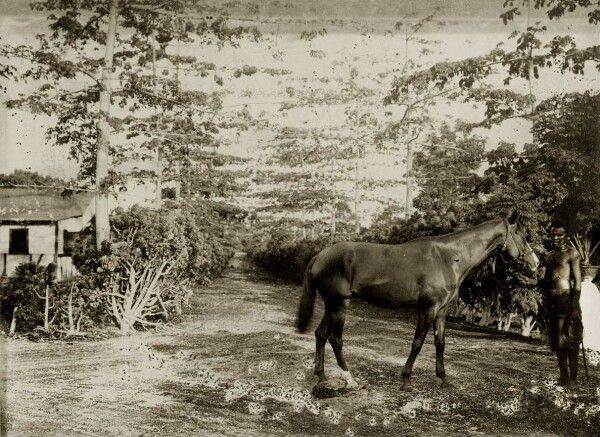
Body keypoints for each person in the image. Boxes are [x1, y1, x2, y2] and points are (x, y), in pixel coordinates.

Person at [542, 227, 583, 388]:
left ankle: (573, 378)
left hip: (567, 299)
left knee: (570, 338)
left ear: (566, 236)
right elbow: (546, 280)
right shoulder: (549, 256)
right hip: (552, 301)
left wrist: (574, 305)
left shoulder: (572, 254)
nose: (556, 238)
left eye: (560, 235)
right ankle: (563, 376)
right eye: (553, 235)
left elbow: (578, 282)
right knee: (557, 340)